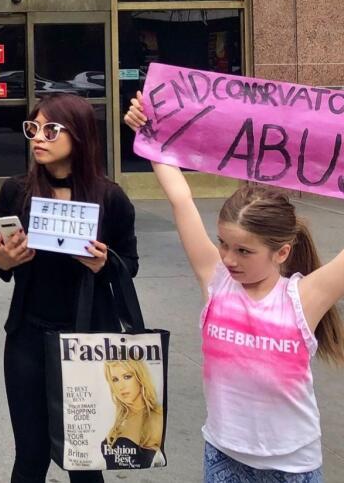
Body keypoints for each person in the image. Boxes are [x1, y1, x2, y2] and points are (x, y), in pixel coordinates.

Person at [126, 92, 344, 482]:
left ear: (281, 253)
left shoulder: (302, 299)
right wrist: (150, 130)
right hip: (223, 457)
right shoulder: (216, 280)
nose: (228, 258)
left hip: (291, 466)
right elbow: (180, 200)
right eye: (224, 244)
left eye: (244, 251)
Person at [0, 93, 138, 483]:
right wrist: (4, 261)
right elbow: (1, 262)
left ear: (80, 135)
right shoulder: (17, 192)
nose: (38, 138)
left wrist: (106, 263)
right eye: (33, 128)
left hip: (87, 343)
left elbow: (129, 265)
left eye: (51, 130)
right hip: (28, 337)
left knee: (85, 460)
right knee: (30, 456)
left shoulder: (110, 198)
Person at [101, 359, 163, 469]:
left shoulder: (155, 417)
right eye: (115, 379)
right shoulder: (120, 416)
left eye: (127, 377)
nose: (121, 386)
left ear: (139, 376)